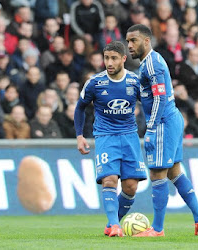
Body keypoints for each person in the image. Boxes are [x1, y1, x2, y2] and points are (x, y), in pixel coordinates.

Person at [126, 24, 198, 237]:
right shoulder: (148, 64)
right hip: (170, 120)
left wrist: (152, 127)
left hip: (163, 122)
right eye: (127, 41)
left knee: (157, 173)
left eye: (133, 40)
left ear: (146, 41)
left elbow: (160, 98)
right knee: (174, 172)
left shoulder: (152, 63)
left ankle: (158, 229)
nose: (129, 45)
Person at [74, 41, 147, 237]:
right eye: (106, 58)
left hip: (130, 136)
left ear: (124, 58)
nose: (109, 62)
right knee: (109, 180)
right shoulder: (95, 83)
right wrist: (80, 136)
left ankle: (111, 223)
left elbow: (149, 106)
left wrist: (153, 129)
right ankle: (115, 226)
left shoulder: (134, 81)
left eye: (114, 58)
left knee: (131, 187)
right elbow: (80, 107)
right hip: (106, 136)